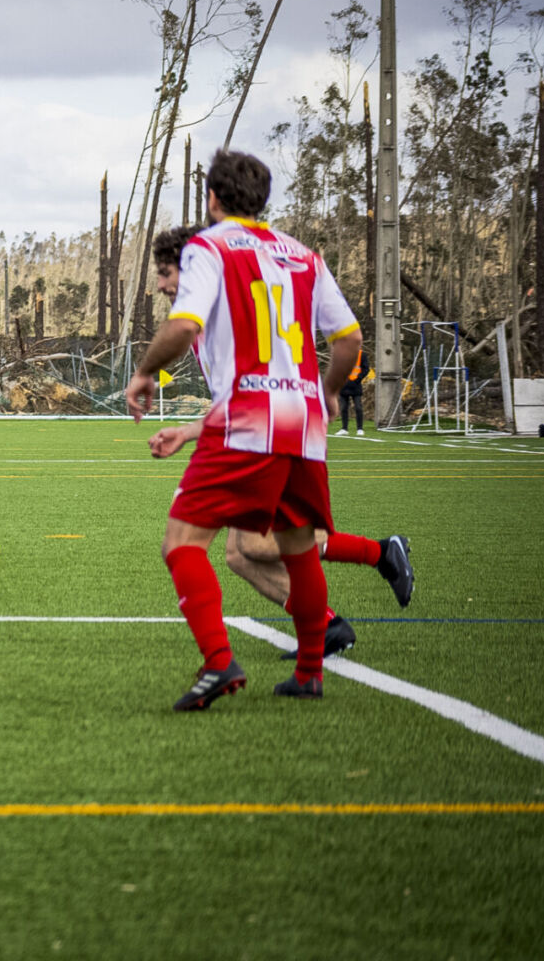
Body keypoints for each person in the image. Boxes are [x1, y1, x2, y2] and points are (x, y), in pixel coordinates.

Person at [126, 151, 362, 710]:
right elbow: (349, 339)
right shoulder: (304, 256)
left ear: (212, 198)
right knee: (298, 547)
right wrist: (328, 390)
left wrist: (144, 371)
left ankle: (218, 660)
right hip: (302, 419)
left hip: (246, 418)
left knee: (183, 543)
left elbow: (185, 325)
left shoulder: (208, 247)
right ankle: (309, 672)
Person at [147, 228, 416, 662]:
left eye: (166, 273)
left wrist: (326, 393)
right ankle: (335, 616)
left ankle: (375, 560)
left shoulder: (223, 316)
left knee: (233, 544)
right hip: (263, 430)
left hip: (273, 435)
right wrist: (189, 431)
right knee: (241, 553)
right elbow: (237, 397)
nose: (161, 285)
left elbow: (264, 382)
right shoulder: (208, 320)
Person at [337, 340, 368, 435]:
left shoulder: (362, 355)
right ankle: (344, 429)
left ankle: (360, 429)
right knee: (343, 408)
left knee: (358, 407)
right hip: (343, 385)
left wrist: (358, 379)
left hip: (356, 385)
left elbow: (366, 369)